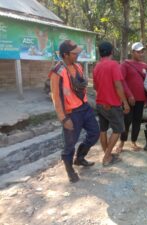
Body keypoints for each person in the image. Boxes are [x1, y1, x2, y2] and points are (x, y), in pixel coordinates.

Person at [49, 40, 100, 183]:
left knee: (95, 133)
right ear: (65, 55)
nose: (78, 54)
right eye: (74, 53)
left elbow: (82, 88)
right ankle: (69, 168)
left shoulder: (77, 66)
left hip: (84, 108)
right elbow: (56, 97)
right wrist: (63, 118)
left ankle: (80, 158)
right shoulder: (57, 72)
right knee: (69, 143)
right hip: (71, 112)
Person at [93, 41, 130, 166]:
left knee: (103, 130)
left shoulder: (97, 66)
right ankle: (107, 156)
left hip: (100, 103)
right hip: (112, 104)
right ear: (112, 52)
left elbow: (95, 86)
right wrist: (125, 103)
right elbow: (118, 86)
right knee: (118, 130)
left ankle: (107, 155)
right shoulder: (114, 65)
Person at [115, 42, 147, 152]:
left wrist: (146, 99)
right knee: (126, 121)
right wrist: (129, 95)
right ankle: (122, 142)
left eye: (142, 51)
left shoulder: (144, 66)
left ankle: (134, 142)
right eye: (138, 52)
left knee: (137, 121)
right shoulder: (125, 64)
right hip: (128, 100)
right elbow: (121, 80)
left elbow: (146, 83)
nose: (141, 54)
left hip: (141, 99)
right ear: (132, 52)